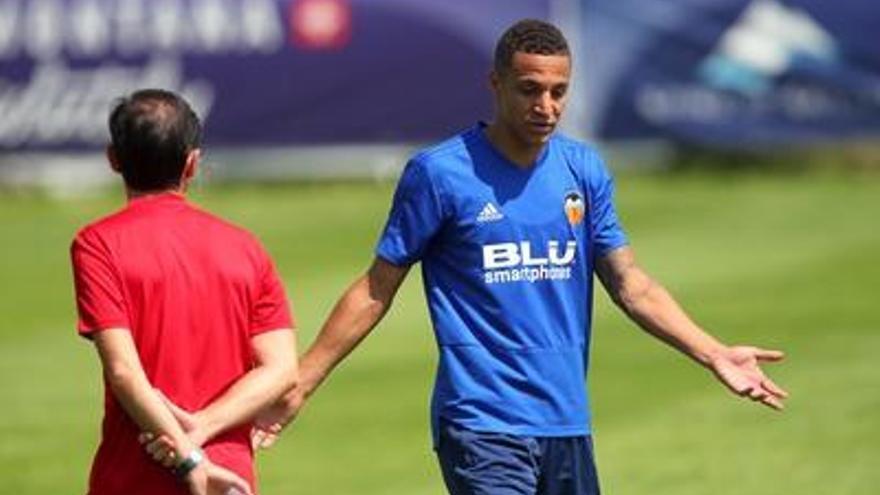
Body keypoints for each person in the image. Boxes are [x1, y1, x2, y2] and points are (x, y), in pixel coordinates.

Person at [70, 89, 299, 495]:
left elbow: (124, 371)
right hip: (228, 478)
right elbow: (282, 370)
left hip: (134, 476)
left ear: (113, 159)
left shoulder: (97, 244)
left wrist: (187, 455)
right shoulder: (244, 247)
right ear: (192, 163)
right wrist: (203, 429)